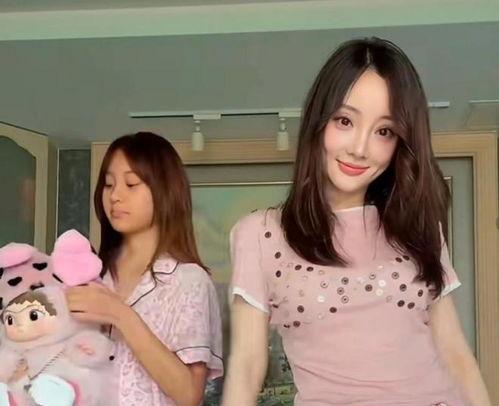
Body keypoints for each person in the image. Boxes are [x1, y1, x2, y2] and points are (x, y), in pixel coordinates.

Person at [222, 38, 490, 406]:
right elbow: (248, 366)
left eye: (384, 131)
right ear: (318, 121)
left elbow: (456, 354)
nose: (360, 148)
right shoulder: (260, 234)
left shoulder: (420, 227)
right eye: (345, 121)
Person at [66, 131, 223, 406]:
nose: (115, 196)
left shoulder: (188, 281)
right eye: (108, 184)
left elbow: (189, 394)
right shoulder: (90, 277)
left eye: (131, 184)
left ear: (164, 190)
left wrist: (121, 315)